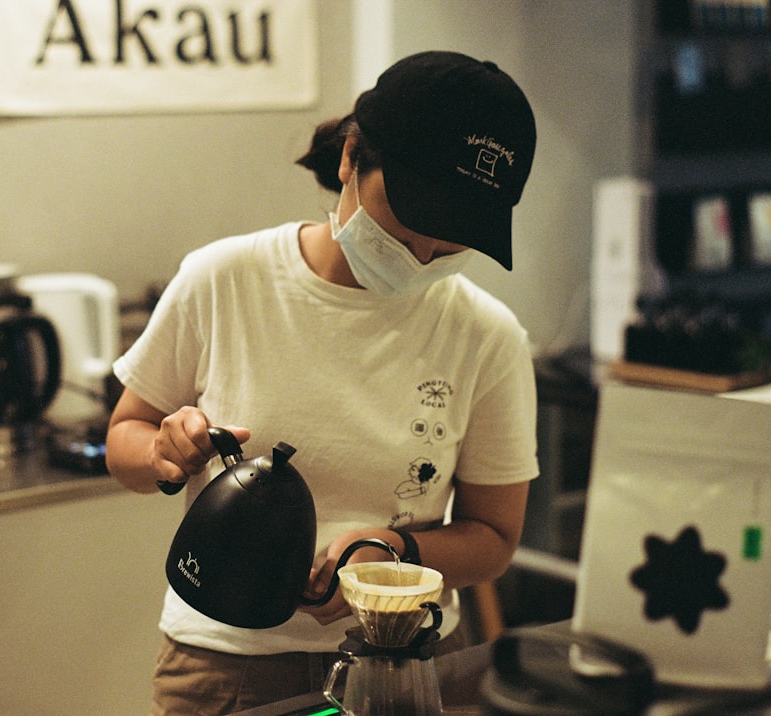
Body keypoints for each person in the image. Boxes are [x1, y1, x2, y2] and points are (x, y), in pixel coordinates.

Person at [106, 50, 539, 714]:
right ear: (350, 160)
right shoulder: (224, 279)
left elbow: (493, 539)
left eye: (454, 237)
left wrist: (391, 553)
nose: (425, 252)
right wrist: (162, 452)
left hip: (406, 666)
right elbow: (125, 441)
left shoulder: (489, 336)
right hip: (227, 667)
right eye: (411, 215)